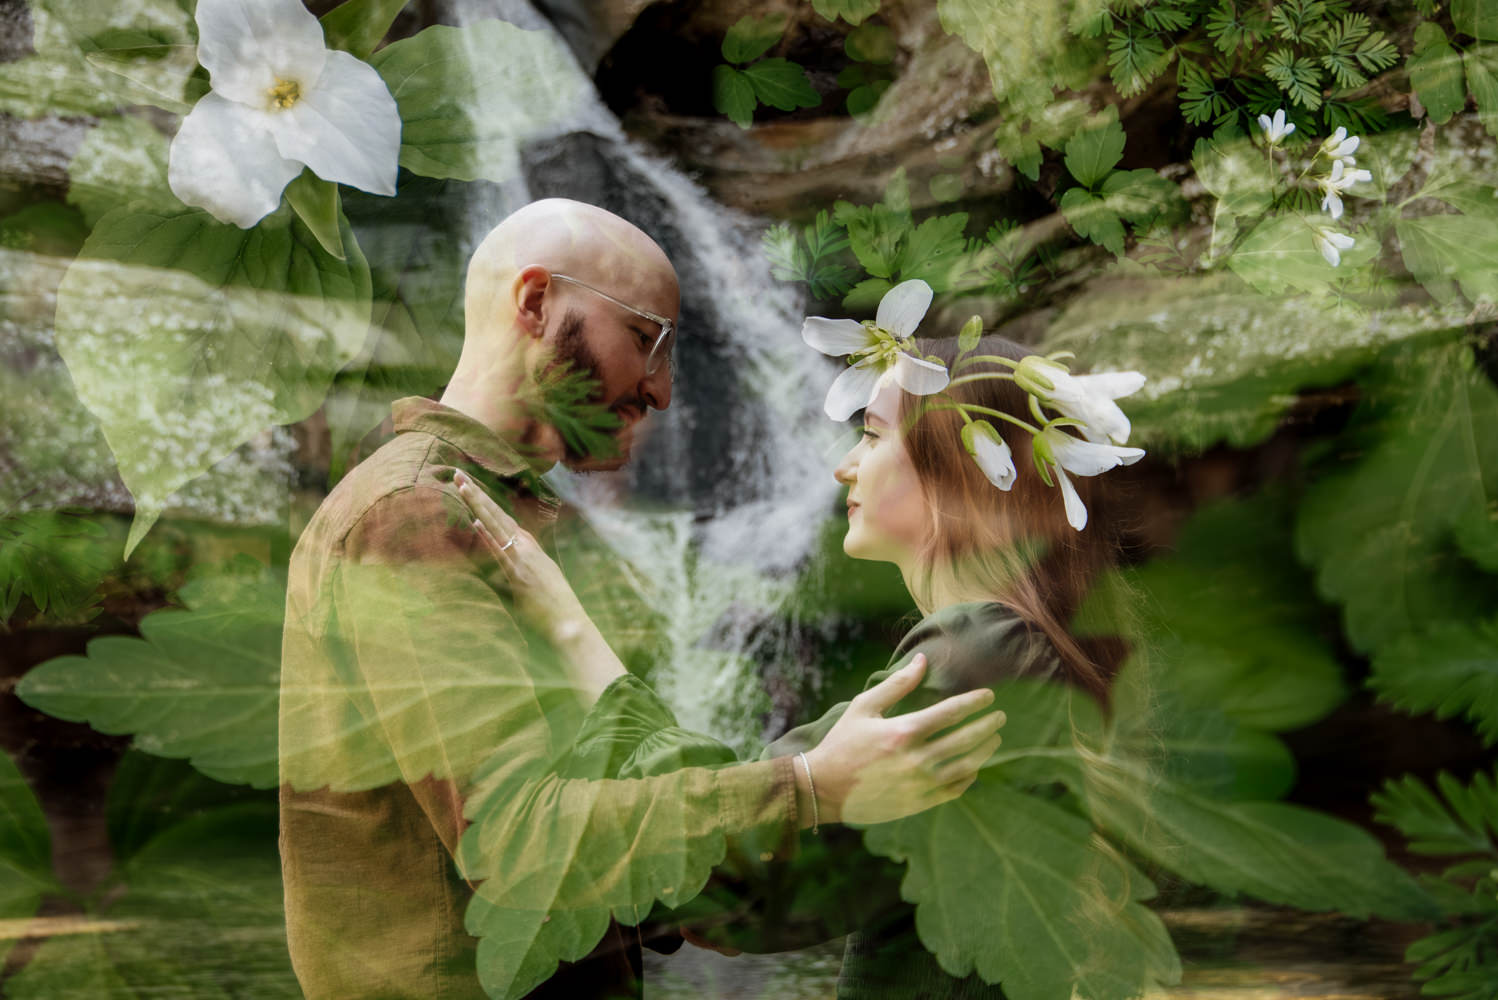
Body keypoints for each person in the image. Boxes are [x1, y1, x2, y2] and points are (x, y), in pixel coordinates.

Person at [277, 200, 1007, 1000]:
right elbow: (519, 844)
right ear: (533, 303)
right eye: (645, 339)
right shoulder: (414, 515)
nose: (660, 390)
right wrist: (805, 786)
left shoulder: (495, 514)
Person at [464, 324, 1144, 997]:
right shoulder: (1000, 651)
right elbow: (771, 881)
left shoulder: (976, 658)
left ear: (961, 469)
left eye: (873, 435)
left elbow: (731, 884)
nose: (844, 465)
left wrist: (571, 630)